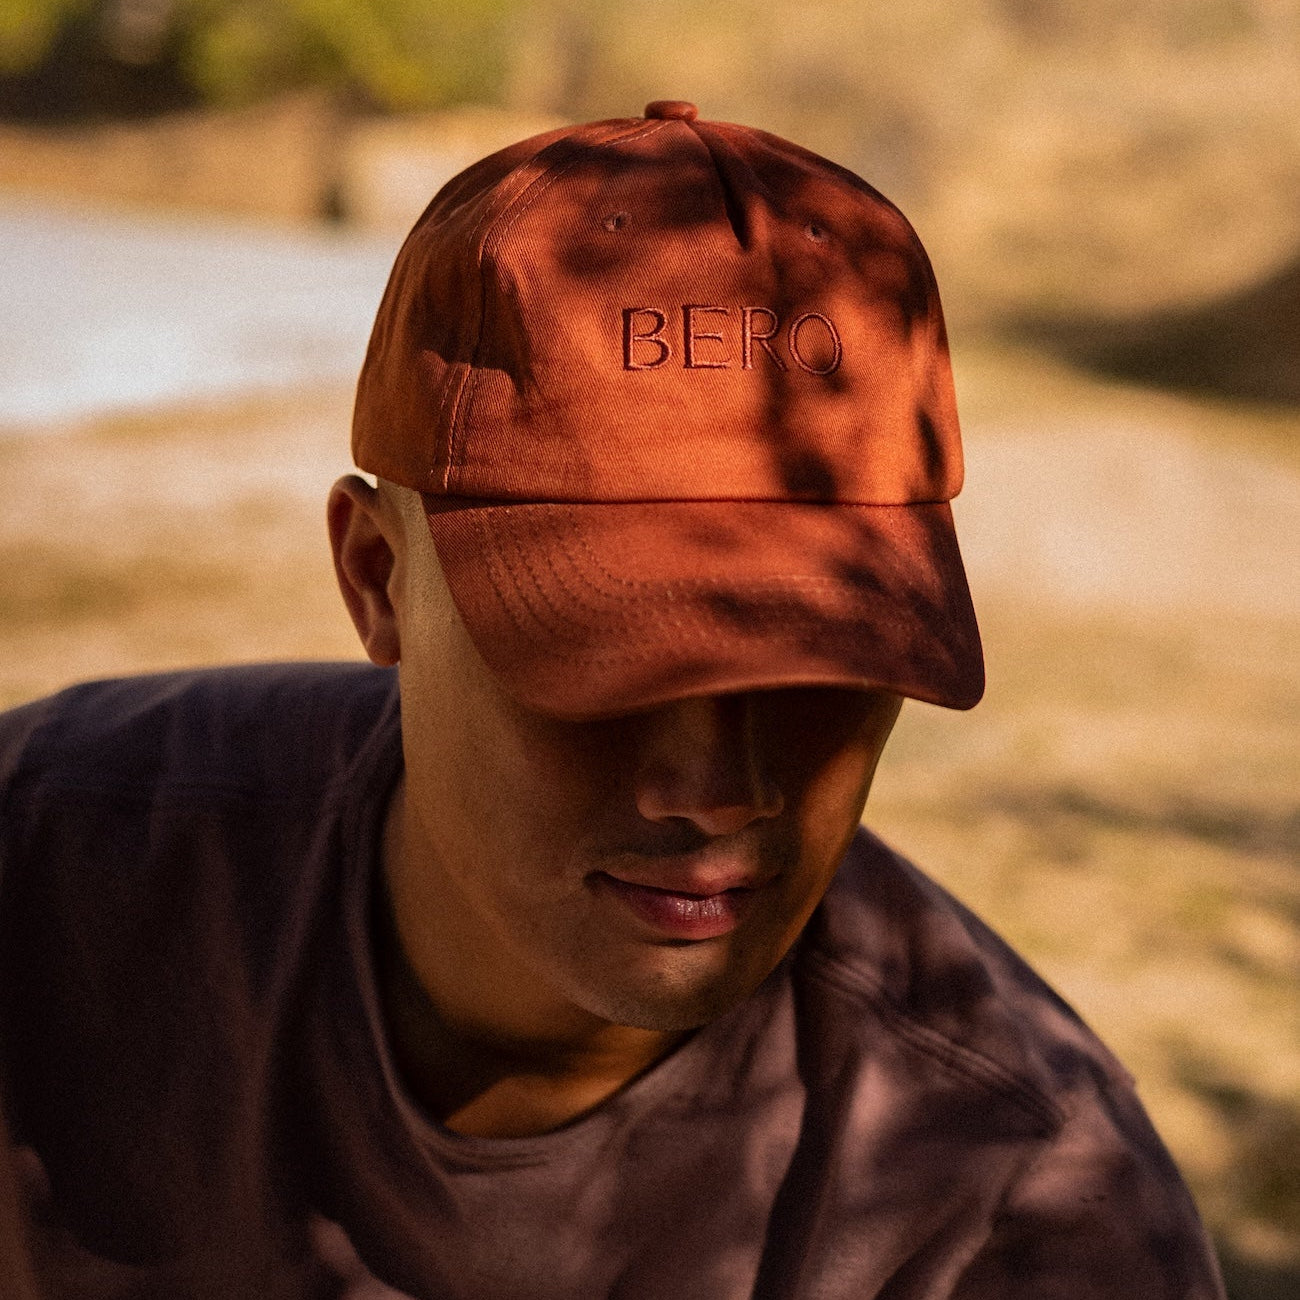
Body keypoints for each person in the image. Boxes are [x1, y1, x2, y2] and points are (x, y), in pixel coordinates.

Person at [0, 101, 1224, 1299]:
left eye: (814, 661)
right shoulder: (49, 877)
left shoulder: (1021, 1218)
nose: (715, 788)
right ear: (376, 576)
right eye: (602, 657)